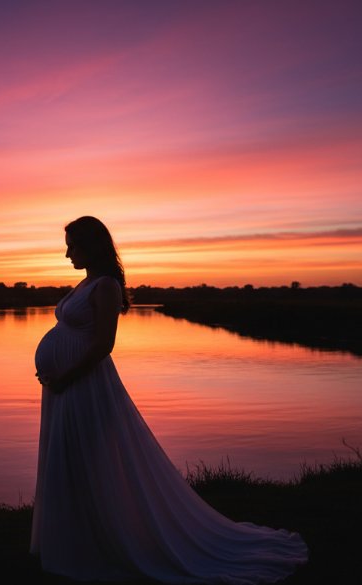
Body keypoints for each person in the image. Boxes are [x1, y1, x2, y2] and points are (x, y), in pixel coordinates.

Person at [31, 216, 307, 584]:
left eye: (73, 246)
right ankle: (75, 540)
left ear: (91, 245)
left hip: (84, 386)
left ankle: (104, 541)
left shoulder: (106, 286)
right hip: (64, 386)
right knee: (67, 457)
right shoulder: (85, 283)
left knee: (90, 459)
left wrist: (64, 375)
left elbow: (102, 345)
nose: (67, 254)